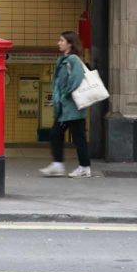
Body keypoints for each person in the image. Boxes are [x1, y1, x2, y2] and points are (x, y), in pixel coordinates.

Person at [40, 30, 92, 178]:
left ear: (69, 43)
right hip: (66, 107)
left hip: (72, 107)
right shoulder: (63, 60)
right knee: (68, 135)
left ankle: (80, 167)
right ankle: (63, 165)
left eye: (62, 41)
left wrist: (64, 94)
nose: (59, 43)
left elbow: (76, 79)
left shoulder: (73, 59)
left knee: (71, 136)